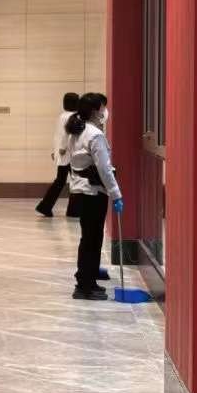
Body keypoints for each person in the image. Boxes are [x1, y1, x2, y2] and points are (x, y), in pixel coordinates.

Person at [65, 92, 123, 300]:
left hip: (81, 190)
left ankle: (87, 279)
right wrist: (116, 194)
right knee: (92, 239)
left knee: (88, 238)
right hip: (94, 192)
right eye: (102, 107)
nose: (104, 111)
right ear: (94, 111)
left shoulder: (77, 130)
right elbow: (104, 169)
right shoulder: (95, 135)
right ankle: (85, 286)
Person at [36, 92, 83, 218]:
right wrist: (62, 148)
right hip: (69, 153)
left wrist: (55, 150)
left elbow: (57, 134)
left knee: (61, 181)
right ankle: (72, 210)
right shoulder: (74, 116)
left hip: (63, 153)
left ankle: (45, 206)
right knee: (75, 181)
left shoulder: (62, 116)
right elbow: (66, 134)